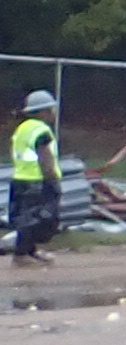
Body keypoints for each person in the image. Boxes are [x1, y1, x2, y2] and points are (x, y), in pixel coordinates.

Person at [7, 91, 56, 262]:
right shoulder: (41, 130)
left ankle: (30, 251)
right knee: (35, 219)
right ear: (43, 112)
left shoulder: (22, 128)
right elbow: (45, 157)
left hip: (19, 178)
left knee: (25, 218)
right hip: (36, 181)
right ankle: (21, 255)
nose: (53, 113)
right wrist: (51, 178)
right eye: (51, 109)